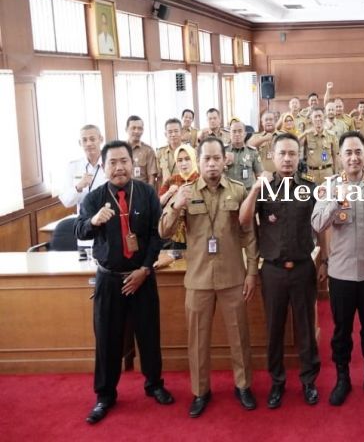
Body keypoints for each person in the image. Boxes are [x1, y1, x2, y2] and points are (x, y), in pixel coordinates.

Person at [159, 137, 259, 417]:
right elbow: (163, 232)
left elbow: (249, 234)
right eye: (206, 159)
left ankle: (243, 386)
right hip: (199, 279)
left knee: (240, 335)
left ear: (225, 160)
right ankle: (200, 391)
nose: (212, 163)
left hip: (232, 277)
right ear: (199, 162)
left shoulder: (238, 191)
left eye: (217, 158)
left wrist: (252, 271)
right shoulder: (186, 192)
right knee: (198, 339)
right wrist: (176, 205)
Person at [77, 140, 173, 424]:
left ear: (133, 164)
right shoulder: (94, 198)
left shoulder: (145, 193)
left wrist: (145, 269)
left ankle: (154, 384)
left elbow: (158, 236)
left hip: (142, 277)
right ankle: (105, 395)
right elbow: (80, 232)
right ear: (104, 167)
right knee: (107, 339)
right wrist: (93, 221)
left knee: (149, 335)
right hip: (109, 281)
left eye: (124, 162)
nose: (119, 168)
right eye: (112, 163)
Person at [240, 133, 321, 408]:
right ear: (272, 156)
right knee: (274, 329)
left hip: (302, 268)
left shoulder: (310, 187)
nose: (287, 159)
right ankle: (277, 382)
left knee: (306, 328)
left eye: (292, 154)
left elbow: (322, 224)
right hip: (272, 271)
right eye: (282, 154)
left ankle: (309, 380)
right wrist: (253, 189)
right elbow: (245, 219)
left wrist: (326, 260)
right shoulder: (263, 187)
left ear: (299, 157)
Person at [311, 132, 364, 406]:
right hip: (341, 273)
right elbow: (317, 224)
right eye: (348, 153)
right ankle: (342, 379)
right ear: (340, 157)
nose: (354, 157)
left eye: (358, 152)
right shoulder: (329, 186)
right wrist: (336, 201)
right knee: (341, 331)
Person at [60, 124, 108, 213]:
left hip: (108, 216)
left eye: (92, 139)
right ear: (80, 143)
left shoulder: (110, 163)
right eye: (84, 140)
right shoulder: (73, 167)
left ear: (101, 139)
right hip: (84, 221)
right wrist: (78, 187)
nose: (88, 144)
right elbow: (66, 202)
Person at [300, 107, 339, 184]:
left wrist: (336, 173)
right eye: (315, 116)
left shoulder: (331, 135)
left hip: (327, 172)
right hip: (311, 173)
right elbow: (296, 144)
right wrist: (304, 133)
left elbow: (335, 156)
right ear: (311, 119)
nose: (318, 119)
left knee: (328, 195)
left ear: (324, 117)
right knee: (312, 195)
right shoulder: (307, 135)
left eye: (320, 116)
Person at [224, 120, 263, 191]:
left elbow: (259, 176)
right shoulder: (223, 151)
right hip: (228, 193)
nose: (237, 134)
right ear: (230, 134)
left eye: (240, 131)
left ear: (245, 134)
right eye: (234, 131)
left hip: (246, 193)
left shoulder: (252, 152)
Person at [125, 115, 157, 186]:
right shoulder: (121, 149)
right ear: (126, 129)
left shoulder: (148, 150)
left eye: (140, 128)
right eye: (133, 128)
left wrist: (149, 194)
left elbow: (151, 177)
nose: (136, 131)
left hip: (141, 192)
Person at [156, 118, 184, 189]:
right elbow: (158, 177)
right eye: (170, 132)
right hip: (167, 193)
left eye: (176, 131)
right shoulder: (160, 153)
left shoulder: (190, 151)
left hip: (185, 192)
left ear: (181, 132)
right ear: (166, 134)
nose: (173, 134)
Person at [249, 110, 278, 176]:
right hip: (261, 177)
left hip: (280, 176)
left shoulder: (282, 135)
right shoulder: (256, 136)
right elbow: (249, 146)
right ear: (262, 123)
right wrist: (263, 139)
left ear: (275, 121)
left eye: (271, 119)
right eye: (266, 120)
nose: (268, 122)